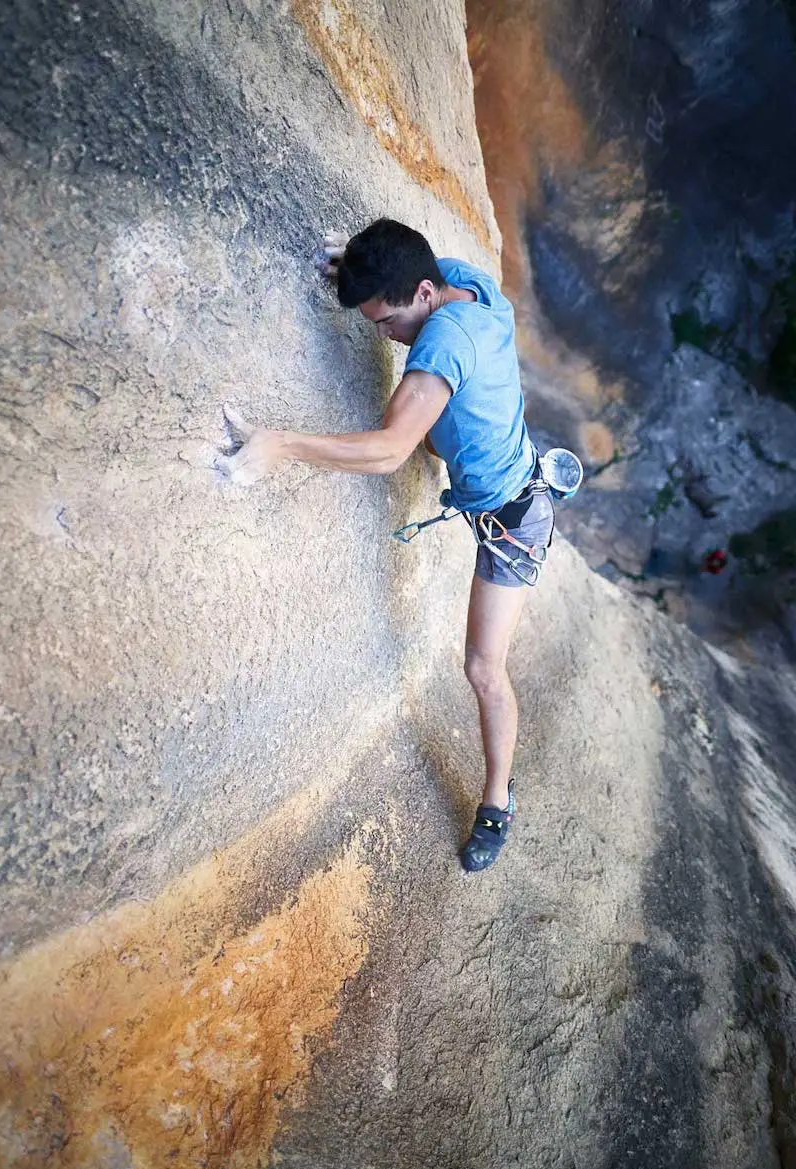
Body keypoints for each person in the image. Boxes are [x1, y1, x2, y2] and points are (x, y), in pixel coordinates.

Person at [217, 219, 555, 872]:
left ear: (424, 294)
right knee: (434, 435)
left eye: (389, 322)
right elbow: (413, 259)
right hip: (504, 477)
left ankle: (496, 802)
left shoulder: (443, 346)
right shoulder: (468, 286)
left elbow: (388, 448)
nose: (386, 336)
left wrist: (283, 445)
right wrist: (360, 263)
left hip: (515, 522)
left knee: (484, 669)